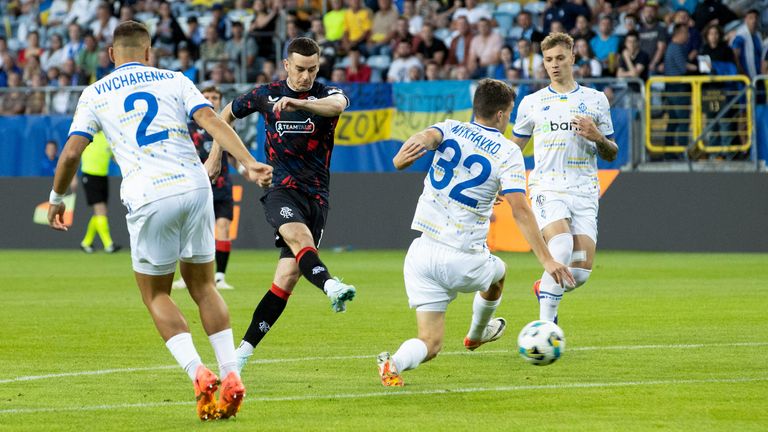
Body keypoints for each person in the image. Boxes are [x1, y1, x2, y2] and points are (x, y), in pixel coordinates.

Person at [46, 21, 273, 421]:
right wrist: (249, 163)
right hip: (195, 185)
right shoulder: (175, 79)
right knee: (204, 286)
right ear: (149, 52)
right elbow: (213, 122)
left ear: (111, 55)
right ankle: (231, 372)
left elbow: (70, 154)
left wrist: (57, 198)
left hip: (149, 194)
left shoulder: (95, 93)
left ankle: (198, 372)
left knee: (156, 294)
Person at [376, 79, 575, 386]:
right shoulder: (509, 152)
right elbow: (520, 210)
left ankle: (393, 364)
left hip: (421, 253)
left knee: (430, 343)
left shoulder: (450, 128)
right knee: (499, 273)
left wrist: (401, 156)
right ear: (501, 114)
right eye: (508, 112)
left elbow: (425, 138)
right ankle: (477, 333)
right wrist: (547, 259)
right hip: (462, 256)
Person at [212, 37, 356, 374]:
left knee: (288, 276)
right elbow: (225, 114)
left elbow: (338, 107)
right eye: (301, 69)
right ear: (286, 65)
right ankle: (331, 286)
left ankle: (242, 353)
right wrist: (215, 155)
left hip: (317, 195)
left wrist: (300, 104)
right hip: (280, 188)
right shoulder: (266, 94)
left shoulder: (325, 93)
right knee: (296, 235)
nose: (307, 76)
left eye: (313, 69)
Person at [509, 33, 618, 324]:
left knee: (578, 274)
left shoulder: (595, 100)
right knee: (560, 249)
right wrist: (500, 182)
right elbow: (512, 150)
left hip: (584, 189)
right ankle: (545, 328)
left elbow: (611, 152)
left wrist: (596, 136)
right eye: (548, 60)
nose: (554, 65)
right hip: (548, 185)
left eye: (559, 58)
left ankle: (543, 288)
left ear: (572, 57)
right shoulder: (532, 103)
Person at [173, 86, 237, 290]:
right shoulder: (188, 127)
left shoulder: (226, 126)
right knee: (190, 232)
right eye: (207, 97)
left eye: (215, 97)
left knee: (223, 228)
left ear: (220, 100)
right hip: (196, 188)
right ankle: (186, 276)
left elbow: (235, 156)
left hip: (222, 187)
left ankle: (220, 276)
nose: (211, 100)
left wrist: (248, 171)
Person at [78, 131, 120, 254]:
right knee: (100, 210)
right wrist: (73, 177)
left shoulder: (108, 136)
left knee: (100, 212)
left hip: (103, 177)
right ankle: (109, 244)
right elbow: (74, 153)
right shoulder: (87, 135)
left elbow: (114, 156)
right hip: (90, 175)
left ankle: (86, 243)